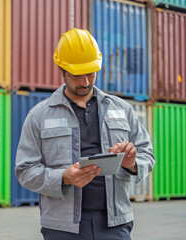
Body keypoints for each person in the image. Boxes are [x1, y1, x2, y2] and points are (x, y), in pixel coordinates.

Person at [15, 28, 155, 240]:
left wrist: (132, 163)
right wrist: (64, 177)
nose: (86, 82)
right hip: (62, 228)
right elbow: (25, 170)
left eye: (90, 73)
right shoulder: (39, 115)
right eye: (77, 75)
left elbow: (147, 155)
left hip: (115, 224)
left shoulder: (122, 109)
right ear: (62, 69)